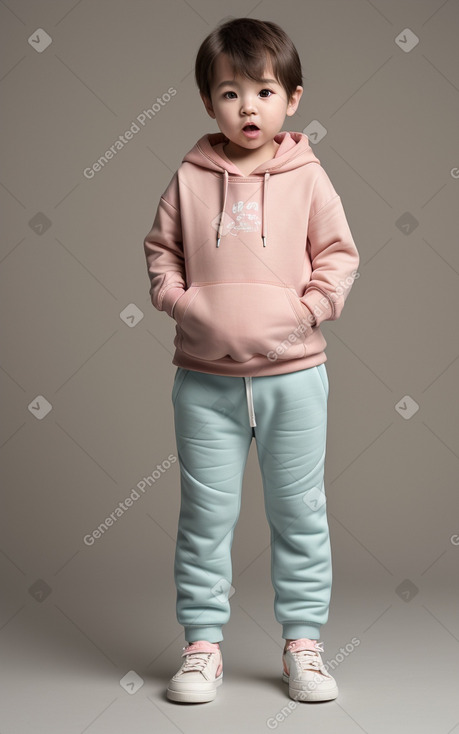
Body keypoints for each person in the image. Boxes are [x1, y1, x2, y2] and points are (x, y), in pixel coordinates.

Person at [143, 16, 360, 704]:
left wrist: (301, 314)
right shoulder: (189, 175)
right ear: (209, 102)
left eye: (263, 91)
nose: (247, 107)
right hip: (203, 379)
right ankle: (202, 646)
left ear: (292, 99)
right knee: (204, 518)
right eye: (230, 93)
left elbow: (337, 258)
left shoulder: (308, 178)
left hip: (293, 378)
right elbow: (161, 255)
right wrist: (184, 307)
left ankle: (304, 645)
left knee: (299, 512)